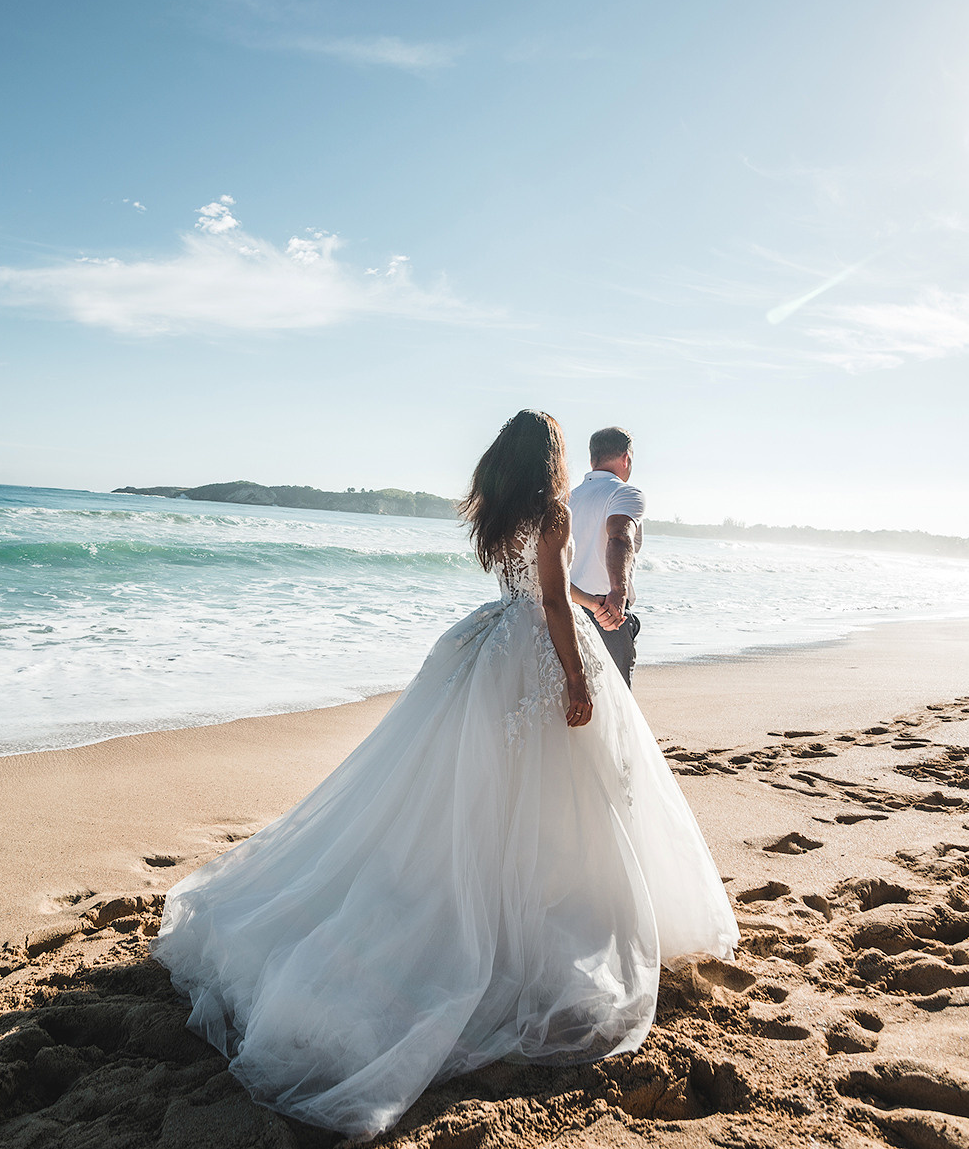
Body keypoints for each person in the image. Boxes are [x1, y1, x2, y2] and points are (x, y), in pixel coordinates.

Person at [153, 410, 737, 1139]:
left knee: (479, 794)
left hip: (491, 644)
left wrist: (593, 608)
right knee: (561, 796)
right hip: (535, 652)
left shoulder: (499, 511)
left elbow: (541, 589)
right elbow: (551, 600)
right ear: (552, 460)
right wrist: (577, 677)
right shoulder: (551, 513)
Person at [567, 426, 644, 686]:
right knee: (616, 702)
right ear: (626, 458)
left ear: (592, 460)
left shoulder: (567, 498)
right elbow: (619, 537)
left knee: (574, 701)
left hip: (566, 613)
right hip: (607, 613)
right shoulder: (624, 492)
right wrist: (618, 593)